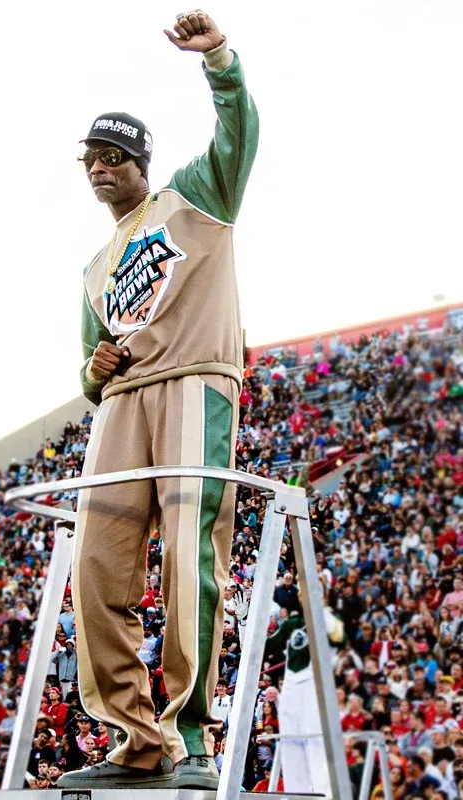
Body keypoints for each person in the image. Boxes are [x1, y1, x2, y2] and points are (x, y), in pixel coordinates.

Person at [59, 8, 258, 793]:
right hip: (123, 404)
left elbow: (237, 132)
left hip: (194, 383)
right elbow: (86, 366)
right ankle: (133, 739)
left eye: (113, 157)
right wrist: (92, 370)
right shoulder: (93, 267)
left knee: (188, 560)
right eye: (90, 162)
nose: (101, 170)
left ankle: (189, 735)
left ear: (141, 162)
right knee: (96, 571)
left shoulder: (196, 195)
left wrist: (220, 63)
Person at [263, 604, 345, 798]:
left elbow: (340, 637)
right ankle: (295, 794)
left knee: (315, 739)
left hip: (315, 680)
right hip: (291, 683)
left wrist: (323, 613)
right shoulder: (293, 623)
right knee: (290, 740)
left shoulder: (328, 617)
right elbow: (270, 644)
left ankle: (324, 793)